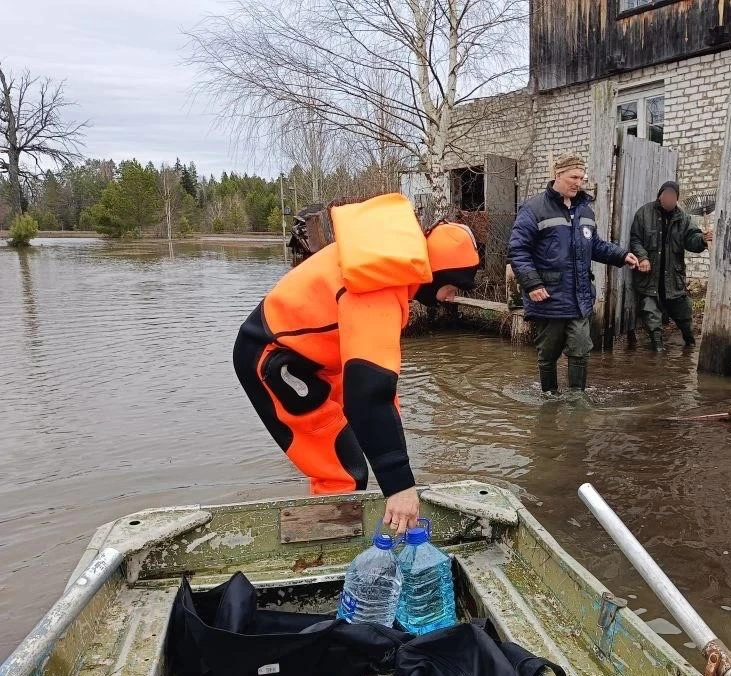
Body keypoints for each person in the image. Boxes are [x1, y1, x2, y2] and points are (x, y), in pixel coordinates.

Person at [233, 193, 480, 533]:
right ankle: (325, 549)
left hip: (316, 358)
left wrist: (393, 450)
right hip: (275, 360)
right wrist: (400, 486)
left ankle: (332, 533)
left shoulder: (389, 266)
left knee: (371, 433)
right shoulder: (378, 288)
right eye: (455, 285)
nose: (454, 296)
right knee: (343, 473)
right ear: (437, 273)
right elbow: (368, 394)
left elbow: (381, 388)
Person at [508, 153, 639, 395]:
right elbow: (518, 250)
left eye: (582, 178)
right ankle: (549, 396)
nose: (579, 183)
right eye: (574, 177)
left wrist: (621, 255)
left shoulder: (585, 211)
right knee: (548, 353)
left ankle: (577, 399)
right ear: (558, 175)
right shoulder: (534, 209)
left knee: (580, 349)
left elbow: (594, 245)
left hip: (579, 297)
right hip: (549, 296)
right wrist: (532, 284)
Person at [629, 181, 713, 352]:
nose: (669, 198)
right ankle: (658, 349)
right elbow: (635, 239)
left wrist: (702, 240)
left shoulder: (683, 219)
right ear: (660, 196)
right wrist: (642, 258)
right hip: (649, 277)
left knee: (684, 315)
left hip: (673, 278)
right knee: (651, 314)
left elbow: (692, 239)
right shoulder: (644, 213)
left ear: (676, 199)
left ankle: (690, 344)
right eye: (666, 195)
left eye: (673, 196)